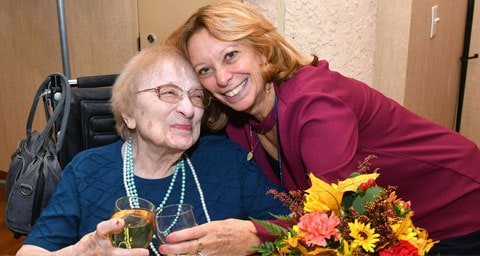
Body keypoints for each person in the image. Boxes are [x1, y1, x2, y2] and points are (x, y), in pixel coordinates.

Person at [163, 0, 480, 255]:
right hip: (386, 225)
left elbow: (337, 219)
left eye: (231, 55)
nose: (222, 78)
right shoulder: (237, 121)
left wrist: (253, 235)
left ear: (261, 49)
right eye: (205, 70)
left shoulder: (316, 105)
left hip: (454, 204)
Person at [15, 45, 290, 256]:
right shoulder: (85, 170)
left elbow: (293, 228)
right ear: (129, 114)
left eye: (196, 96)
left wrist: (253, 238)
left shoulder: (227, 159)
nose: (189, 109)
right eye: (168, 92)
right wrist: (82, 251)